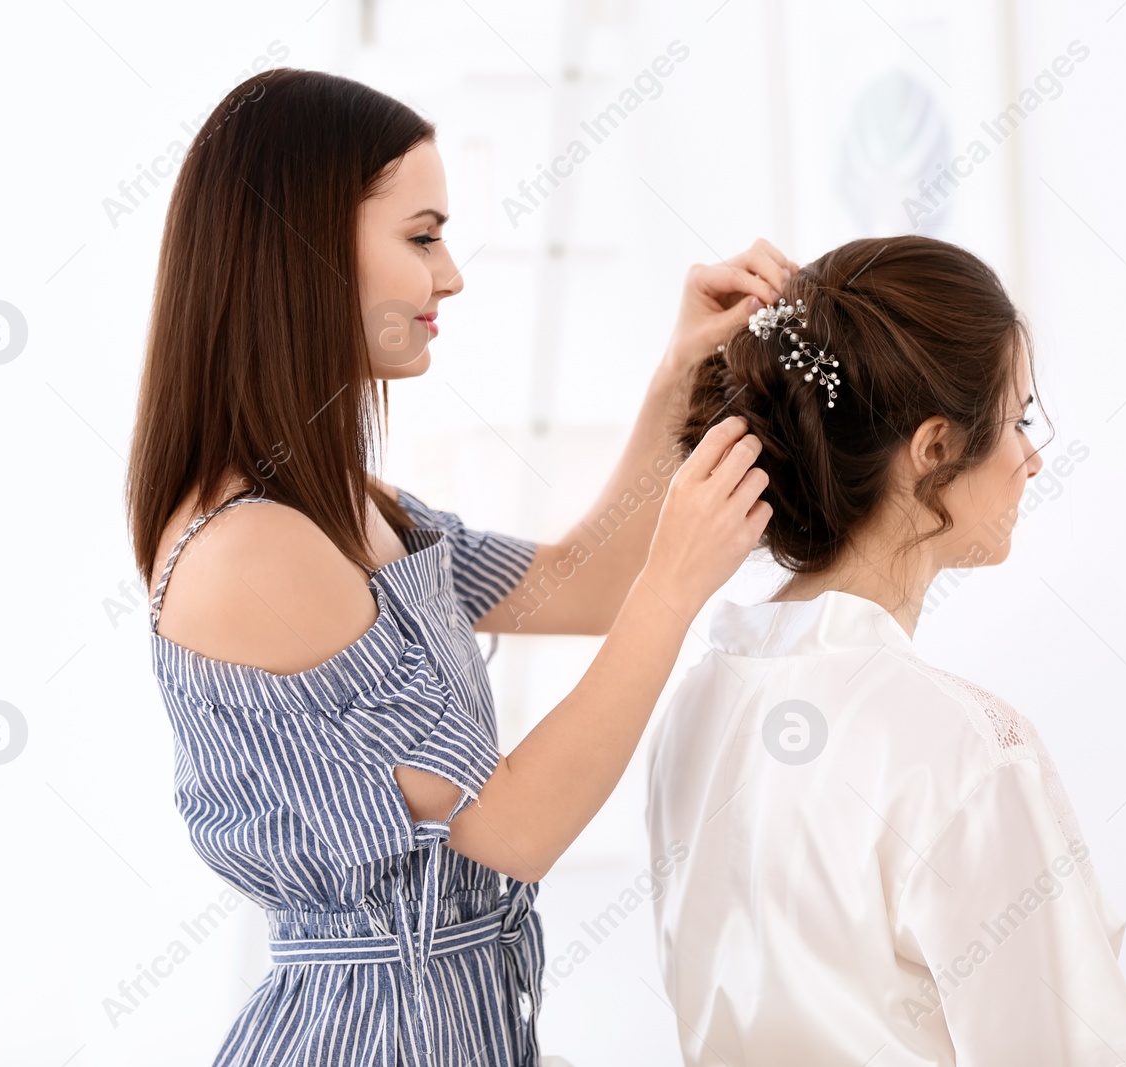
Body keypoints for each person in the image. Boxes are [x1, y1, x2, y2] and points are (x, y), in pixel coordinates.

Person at [125, 68, 785, 1065]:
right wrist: (679, 583)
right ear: (301, 247)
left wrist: (676, 375)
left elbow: (579, 583)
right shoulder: (253, 548)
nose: (450, 275)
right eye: (421, 235)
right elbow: (505, 829)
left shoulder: (355, 505)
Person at [646, 235, 1126, 1066]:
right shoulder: (965, 748)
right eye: (1018, 419)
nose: (1031, 459)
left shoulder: (693, 707)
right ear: (933, 449)